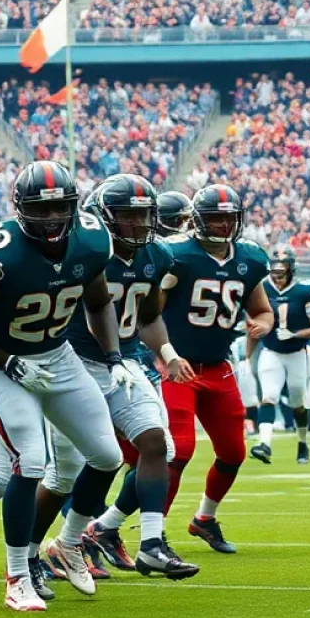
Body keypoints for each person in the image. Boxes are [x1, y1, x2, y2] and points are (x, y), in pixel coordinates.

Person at [0, 161, 126, 611]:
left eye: (59, 207)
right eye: (40, 208)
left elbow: (99, 300)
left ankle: (68, 544)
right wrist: (6, 358)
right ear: (21, 208)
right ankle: (16, 576)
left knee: (108, 455)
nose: (51, 217)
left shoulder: (90, 239)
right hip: (1, 361)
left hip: (58, 356)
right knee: (27, 465)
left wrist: (113, 357)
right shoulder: (3, 251)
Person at [74, 175, 199, 580]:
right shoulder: (88, 252)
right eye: (128, 215)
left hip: (124, 361)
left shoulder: (156, 256)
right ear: (105, 217)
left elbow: (147, 317)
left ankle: (149, 544)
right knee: (71, 463)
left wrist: (168, 353)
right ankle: (55, 546)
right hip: (73, 362)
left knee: (156, 444)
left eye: (144, 214)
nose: (139, 224)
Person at [161, 185, 272, 554]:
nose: (223, 225)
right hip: (178, 365)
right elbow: (150, 313)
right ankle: (153, 531)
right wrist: (162, 355)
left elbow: (262, 309)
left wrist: (264, 324)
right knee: (179, 450)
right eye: (215, 218)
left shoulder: (250, 258)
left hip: (218, 365)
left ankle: (204, 518)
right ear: (197, 220)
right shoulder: (177, 254)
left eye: (229, 217)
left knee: (233, 453)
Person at [249, 246, 310, 465]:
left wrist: (296, 333)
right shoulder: (261, 288)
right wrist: (246, 357)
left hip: (296, 354)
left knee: (297, 403)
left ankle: (302, 442)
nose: (278, 273)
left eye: (283, 269)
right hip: (271, 352)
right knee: (269, 396)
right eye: (275, 269)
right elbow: (253, 327)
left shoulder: (304, 290)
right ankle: (264, 444)